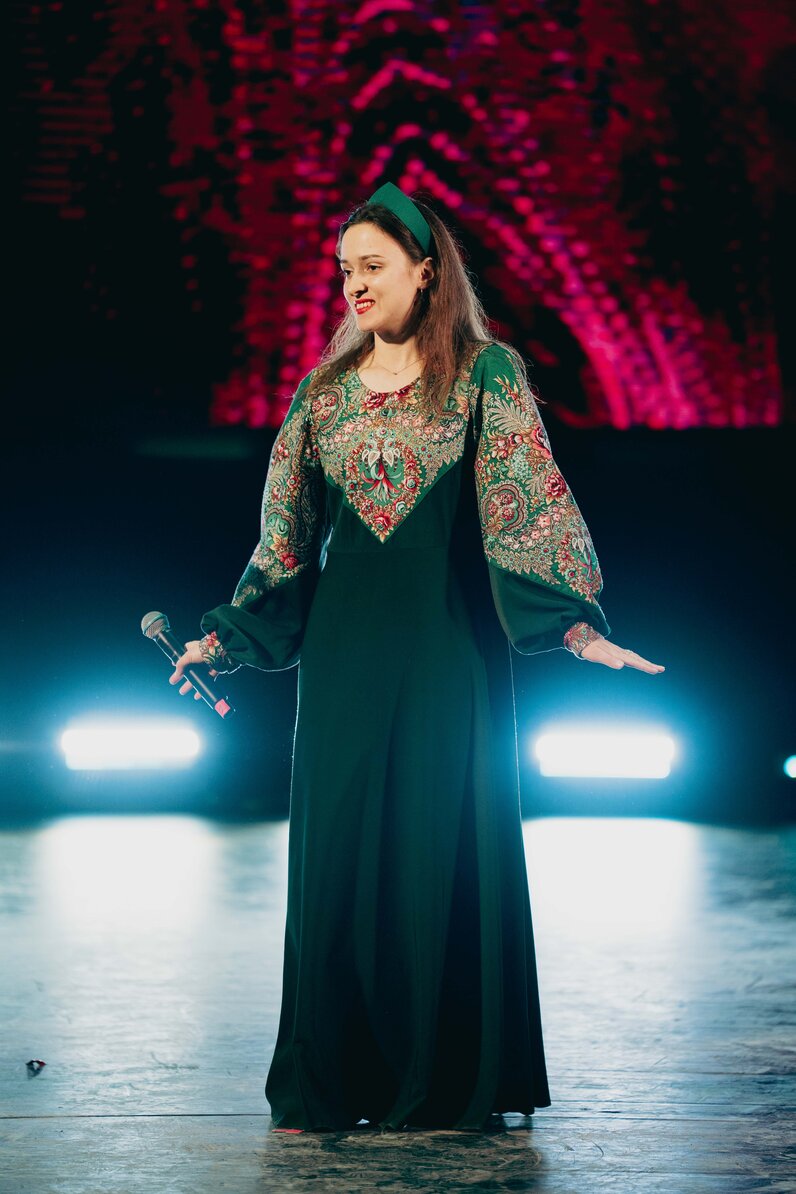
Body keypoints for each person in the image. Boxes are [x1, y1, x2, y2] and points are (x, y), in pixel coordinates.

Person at [170, 182, 665, 1133]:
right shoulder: (321, 395)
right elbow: (284, 542)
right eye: (344, 271)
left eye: (373, 266)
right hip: (345, 658)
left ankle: (446, 1081)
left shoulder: (486, 374)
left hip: (450, 651)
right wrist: (224, 636)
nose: (353, 286)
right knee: (340, 855)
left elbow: (525, 507)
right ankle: (333, 1080)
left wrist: (578, 629)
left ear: (426, 270)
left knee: (442, 849)